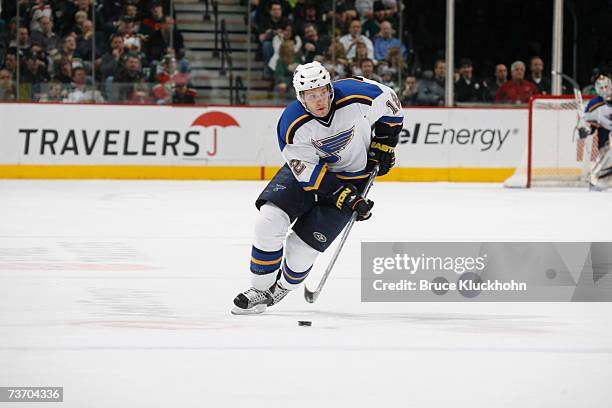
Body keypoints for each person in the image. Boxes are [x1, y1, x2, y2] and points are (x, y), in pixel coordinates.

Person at [232, 61, 403, 314]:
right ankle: (260, 289)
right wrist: (344, 197)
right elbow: (308, 174)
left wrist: (385, 143)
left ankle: (283, 287)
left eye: (323, 92)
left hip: (353, 177)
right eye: (312, 96)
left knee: (301, 251)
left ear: (329, 88)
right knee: (269, 223)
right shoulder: (291, 123)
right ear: (301, 97)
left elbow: (391, 103)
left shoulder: (357, 94)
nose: (319, 100)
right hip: (306, 174)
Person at [578, 74, 612, 191]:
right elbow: (591, 124)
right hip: (605, 136)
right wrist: (586, 130)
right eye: (601, 87)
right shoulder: (594, 104)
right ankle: (597, 180)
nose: (604, 90)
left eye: (606, 87)